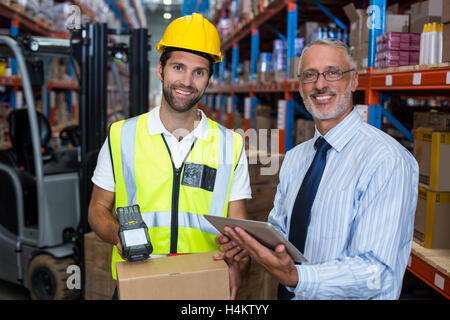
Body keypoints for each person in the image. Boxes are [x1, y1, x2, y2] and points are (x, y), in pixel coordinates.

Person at [218, 39, 419, 300]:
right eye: (309, 75)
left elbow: (376, 271)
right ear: (301, 87)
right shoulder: (295, 159)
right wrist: (249, 245)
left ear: (354, 81)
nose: (320, 84)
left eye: (333, 73)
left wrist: (297, 277)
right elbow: (280, 234)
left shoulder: (385, 160)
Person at [88, 13, 251, 299]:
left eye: (199, 72)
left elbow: (236, 228)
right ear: (160, 69)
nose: (187, 81)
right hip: (138, 280)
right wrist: (120, 237)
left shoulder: (230, 145)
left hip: (203, 284)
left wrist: (239, 260)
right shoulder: (121, 136)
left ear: (208, 80)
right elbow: (97, 210)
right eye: (178, 67)